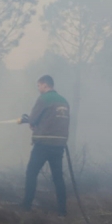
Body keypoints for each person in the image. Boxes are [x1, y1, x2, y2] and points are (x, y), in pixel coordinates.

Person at [18, 75, 70, 216]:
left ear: (45, 85)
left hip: (43, 145)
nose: (39, 89)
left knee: (31, 173)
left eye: (39, 86)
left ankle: (26, 206)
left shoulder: (44, 99)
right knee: (58, 177)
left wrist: (30, 122)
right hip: (59, 145)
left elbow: (33, 118)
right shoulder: (64, 101)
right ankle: (62, 211)